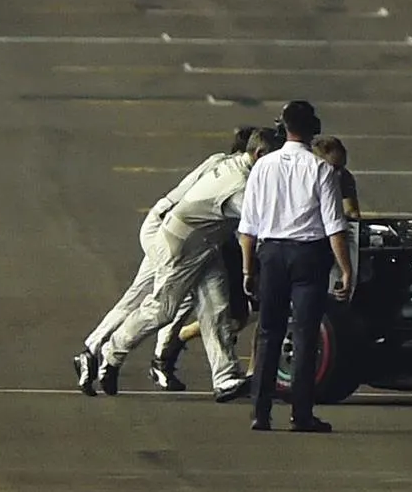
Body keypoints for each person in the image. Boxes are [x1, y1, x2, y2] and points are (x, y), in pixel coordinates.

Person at [96, 128, 279, 401]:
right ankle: (112, 353)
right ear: (260, 154)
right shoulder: (239, 187)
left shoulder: (227, 162)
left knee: (217, 309)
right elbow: (260, 225)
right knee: (161, 310)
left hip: (205, 246)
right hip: (182, 246)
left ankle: (226, 378)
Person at [239, 101, 354, 434]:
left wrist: (248, 270)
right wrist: (345, 269)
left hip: (271, 254)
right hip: (309, 256)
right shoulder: (322, 170)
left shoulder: (263, 167)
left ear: (283, 127)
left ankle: (260, 412)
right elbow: (335, 226)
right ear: (313, 128)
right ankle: (301, 413)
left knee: (268, 333)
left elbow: (249, 225)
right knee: (305, 336)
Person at [311, 135, 362, 222]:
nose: (338, 173)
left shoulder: (344, 176)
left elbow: (351, 211)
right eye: (334, 168)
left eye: (342, 167)